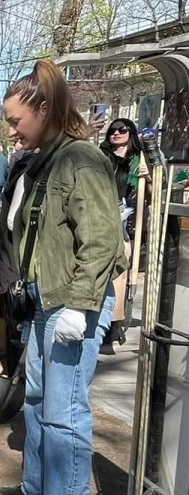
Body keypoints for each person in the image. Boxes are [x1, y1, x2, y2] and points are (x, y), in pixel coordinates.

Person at [0, 61, 126, 495]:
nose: (11, 131)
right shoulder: (43, 163)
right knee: (35, 401)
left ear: (44, 109)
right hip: (41, 300)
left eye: (15, 121)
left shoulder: (81, 159)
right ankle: (38, 492)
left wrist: (81, 305)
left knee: (64, 413)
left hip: (71, 304)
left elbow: (103, 238)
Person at [99, 117, 149, 352]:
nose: (116, 133)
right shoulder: (101, 157)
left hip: (129, 225)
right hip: (102, 220)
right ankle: (103, 323)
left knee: (122, 276)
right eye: (112, 130)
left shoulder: (140, 160)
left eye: (122, 130)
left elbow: (155, 188)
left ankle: (114, 325)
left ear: (131, 132)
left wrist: (148, 178)